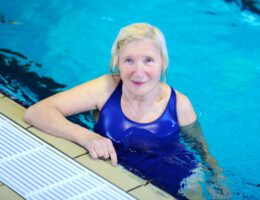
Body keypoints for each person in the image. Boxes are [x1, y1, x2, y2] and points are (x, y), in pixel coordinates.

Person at [24, 23, 230, 199]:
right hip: (116, 172)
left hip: (178, 175)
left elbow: (201, 149)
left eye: (148, 60)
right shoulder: (105, 89)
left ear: (162, 64)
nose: (138, 72)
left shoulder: (179, 104)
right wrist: (86, 137)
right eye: (129, 60)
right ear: (117, 64)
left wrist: (218, 178)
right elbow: (36, 112)